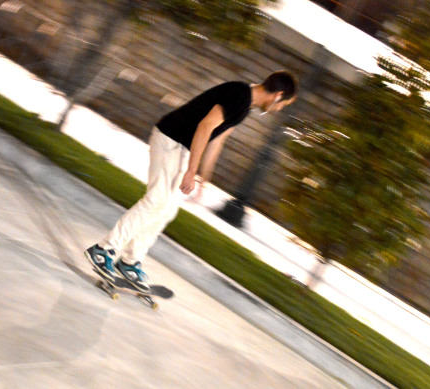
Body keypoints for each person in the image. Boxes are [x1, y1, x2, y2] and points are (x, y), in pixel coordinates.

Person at [85, 71, 297, 292]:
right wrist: (191, 170)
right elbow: (205, 126)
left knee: (167, 210)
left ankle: (130, 261)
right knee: (156, 201)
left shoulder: (244, 106)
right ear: (278, 95)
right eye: (284, 104)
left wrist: (203, 177)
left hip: (181, 147)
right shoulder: (239, 95)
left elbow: (217, 140)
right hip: (170, 139)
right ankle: (104, 250)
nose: (280, 108)